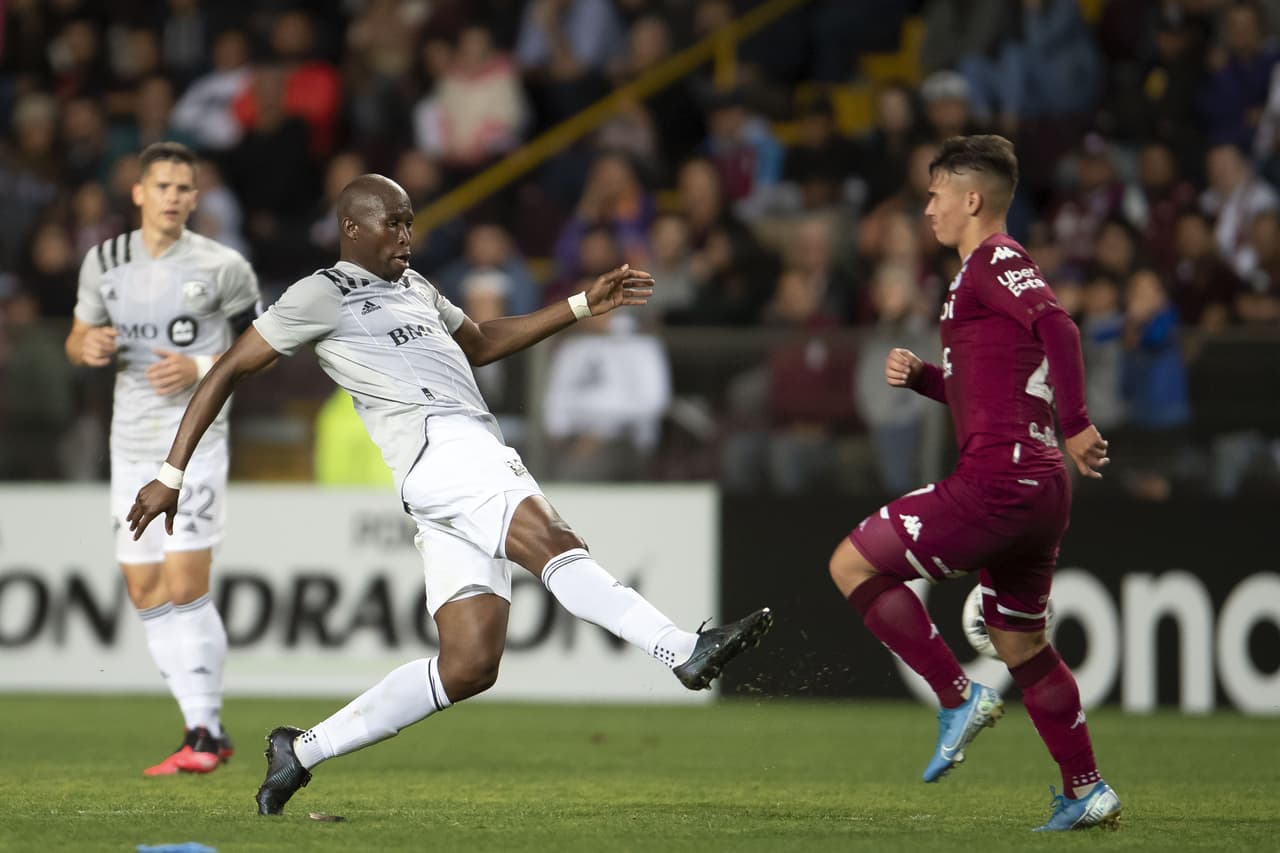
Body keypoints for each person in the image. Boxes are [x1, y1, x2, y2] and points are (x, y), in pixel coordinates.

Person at [126, 173, 772, 816]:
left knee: (468, 664)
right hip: (445, 446)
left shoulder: (413, 286)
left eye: (411, 222)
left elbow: (483, 342)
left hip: (441, 470)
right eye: (394, 223)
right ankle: (681, 649)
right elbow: (232, 367)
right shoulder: (319, 293)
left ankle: (302, 750)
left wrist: (580, 305)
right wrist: (172, 474)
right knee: (555, 542)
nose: (408, 235)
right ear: (353, 228)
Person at [826, 136, 1121, 831]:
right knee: (1021, 643)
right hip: (1039, 485)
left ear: (972, 199)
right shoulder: (974, 278)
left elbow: (1061, 329)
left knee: (851, 562)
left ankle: (957, 695)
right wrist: (930, 379)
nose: (927, 208)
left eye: (935, 195)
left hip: (1002, 478)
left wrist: (1077, 421)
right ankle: (1086, 787)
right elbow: (995, 382)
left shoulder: (996, 260)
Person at [65, 142, 262, 776]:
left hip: (196, 443)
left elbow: (265, 350)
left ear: (196, 198)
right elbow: (76, 335)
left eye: (185, 188)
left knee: (183, 584)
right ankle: (204, 726)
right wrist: (86, 344)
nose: (174, 197)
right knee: (144, 588)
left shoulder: (225, 266)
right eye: (164, 186)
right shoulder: (105, 262)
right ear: (139, 193)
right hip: (130, 444)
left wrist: (201, 365)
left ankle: (203, 731)